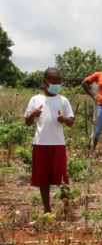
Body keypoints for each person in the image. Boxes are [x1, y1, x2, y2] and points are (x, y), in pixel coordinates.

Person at [24, 68, 75, 214]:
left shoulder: (63, 100)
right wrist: (33, 114)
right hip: (41, 143)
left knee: (62, 176)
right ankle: (47, 209)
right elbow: (28, 122)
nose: (57, 85)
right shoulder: (35, 100)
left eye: (59, 83)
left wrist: (63, 119)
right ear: (45, 82)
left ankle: (66, 208)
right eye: (54, 82)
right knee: (43, 177)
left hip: (58, 143)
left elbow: (71, 122)